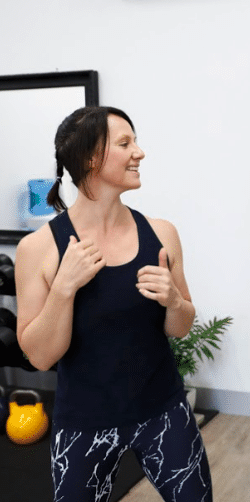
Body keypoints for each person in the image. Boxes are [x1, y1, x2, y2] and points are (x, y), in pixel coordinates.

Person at [15, 106, 212, 502]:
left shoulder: (161, 233)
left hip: (163, 413)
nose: (139, 152)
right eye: (126, 143)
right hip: (83, 425)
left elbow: (181, 325)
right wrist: (63, 289)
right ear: (90, 159)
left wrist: (174, 300)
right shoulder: (39, 248)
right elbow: (38, 356)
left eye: (135, 142)